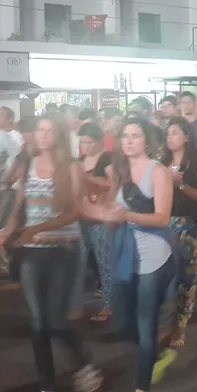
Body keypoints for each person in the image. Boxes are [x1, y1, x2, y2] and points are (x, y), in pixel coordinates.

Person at [0, 115, 102, 392]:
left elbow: (75, 212)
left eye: (49, 130)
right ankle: (47, 387)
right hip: (33, 251)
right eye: (40, 130)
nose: (43, 135)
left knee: (56, 320)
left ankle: (83, 362)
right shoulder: (29, 166)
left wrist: (37, 228)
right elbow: (17, 209)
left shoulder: (70, 167)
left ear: (58, 135)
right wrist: (4, 232)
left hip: (64, 250)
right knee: (36, 322)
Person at [88, 117, 177, 392]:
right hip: (126, 252)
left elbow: (162, 218)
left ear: (147, 141)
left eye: (135, 135)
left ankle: (140, 391)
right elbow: (115, 215)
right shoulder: (118, 172)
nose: (128, 140)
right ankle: (157, 352)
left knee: (146, 322)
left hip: (155, 254)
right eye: (125, 135)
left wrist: (125, 216)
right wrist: (103, 215)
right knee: (125, 321)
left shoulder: (158, 171)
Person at [160, 117, 197, 349]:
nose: (170, 137)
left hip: (188, 226)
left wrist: (180, 184)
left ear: (186, 136)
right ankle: (162, 322)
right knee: (161, 277)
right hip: (162, 225)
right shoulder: (160, 162)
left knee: (187, 279)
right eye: (168, 133)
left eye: (175, 132)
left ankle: (180, 324)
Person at [78, 122, 115, 323]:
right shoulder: (80, 160)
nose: (86, 146)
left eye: (90, 142)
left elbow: (113, 184)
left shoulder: (107, 158)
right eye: (83, 142)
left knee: (106, 261)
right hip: (82, 215)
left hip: (101, 216)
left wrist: (87, 179)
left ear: (100, 141)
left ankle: (110, 304)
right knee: (81, 261)